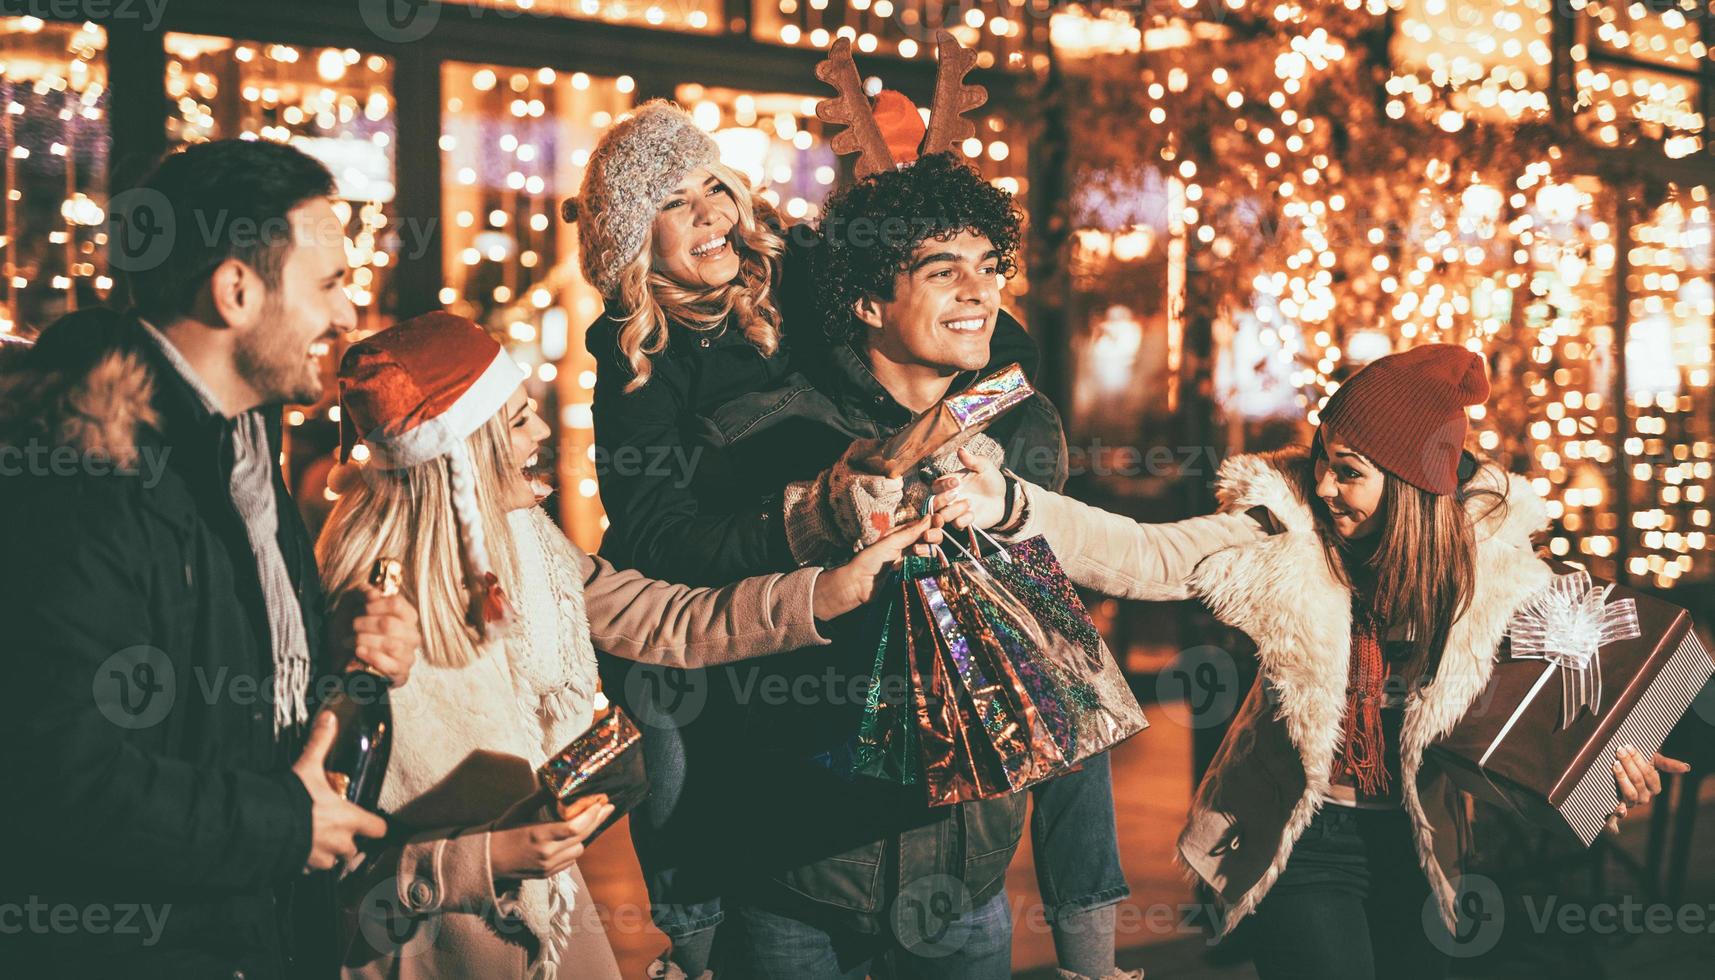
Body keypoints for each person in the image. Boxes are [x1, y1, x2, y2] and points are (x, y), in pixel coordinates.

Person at [937, 343, 1688, 980]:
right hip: (1300, 838)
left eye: (1350, 471)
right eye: (1324, 461)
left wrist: (1609, 771)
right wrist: (1008, 501)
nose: (1324, 485)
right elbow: (1145, 554)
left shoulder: (1496, 577)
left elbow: (1536, 739)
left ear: (1412, 484)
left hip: (1425, 846)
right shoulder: (1281, 532)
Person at [318, 311, 935, 979]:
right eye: (520, 419)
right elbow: (323, 857)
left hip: (548, 918)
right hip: (430, 953)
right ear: (464, 451)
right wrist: (492, 857)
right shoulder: (362, 614)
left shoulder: (527, 544)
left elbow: (668, 618)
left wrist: (833, 591)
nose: (544, 431)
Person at [0, 139, 421, 979]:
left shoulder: (239, 448)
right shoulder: (85, 468)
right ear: (236, 290)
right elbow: (52, 771)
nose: (348, 318)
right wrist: (284, 827)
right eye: (330, 285)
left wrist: (329, 645)